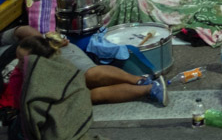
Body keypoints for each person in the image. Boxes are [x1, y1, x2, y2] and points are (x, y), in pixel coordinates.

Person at [0, 28, 168, 108]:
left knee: (89, 75)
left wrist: (43, 44)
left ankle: (139, 80)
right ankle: (149, 89)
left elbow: (21, 31)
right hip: (40, 79)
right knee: (86, 95)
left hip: (51, 49)